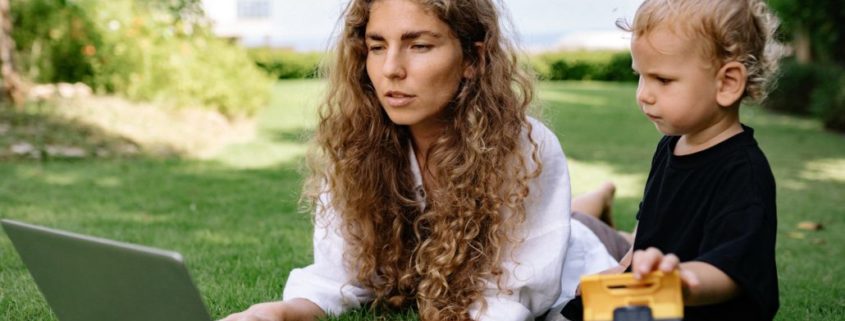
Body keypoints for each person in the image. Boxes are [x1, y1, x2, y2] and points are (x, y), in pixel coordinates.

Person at [220, 1, 620, 320]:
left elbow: (514, 296)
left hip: (569, 248)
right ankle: (595, 200)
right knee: (575, 213)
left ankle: (598, 203)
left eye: (419, 45)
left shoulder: (524, 147)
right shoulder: (359, 147)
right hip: (554, 217)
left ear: (472, 59)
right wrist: (279, 312)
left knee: (593, 232)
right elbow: (338, 276)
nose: (391, 69)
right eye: (377, 46)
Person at [576, 1, 782, 320]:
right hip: (649, 293)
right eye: (640, 77)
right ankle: (598, 207)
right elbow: (649, 228)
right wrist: (620, 269)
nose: (643, 94)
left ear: (727, 83)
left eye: (662, 80)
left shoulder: (743, 172)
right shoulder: (671, 145)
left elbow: (733, 267)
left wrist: (680, 283)